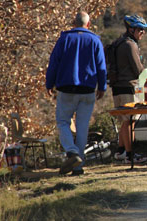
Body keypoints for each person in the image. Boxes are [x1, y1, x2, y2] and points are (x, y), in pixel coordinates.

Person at [46, 11, 106, 175]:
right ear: (89, 23)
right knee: (82, 127)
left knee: (63, 122)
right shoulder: (95, 40)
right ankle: (78, 167)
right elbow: (101, 66)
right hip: (87, 90)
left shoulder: (64, 39)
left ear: (73, 23)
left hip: (66, 89)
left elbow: (54, 63)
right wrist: (102, 87)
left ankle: (72, 152)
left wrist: (49, 83)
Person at [111, 15, 147, 163]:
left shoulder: (118, 42)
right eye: (140, 29)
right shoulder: (130, 45)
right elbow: (138, 69)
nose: (143, 32)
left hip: (116, 88)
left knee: (124, 119)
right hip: (128, 87)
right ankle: (130, 155)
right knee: (130, 121)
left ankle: (121, 151)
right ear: (131, 29)